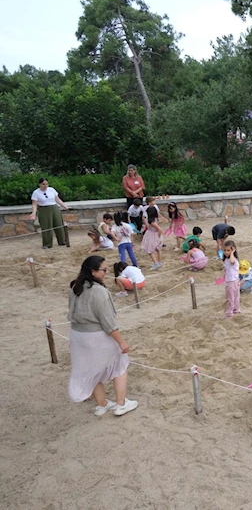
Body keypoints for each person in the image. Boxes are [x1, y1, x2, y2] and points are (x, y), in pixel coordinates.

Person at [67, 255, 137, 416]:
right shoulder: (98, 291)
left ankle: (102, 404)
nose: (106, 272)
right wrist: (121, 342)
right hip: (95, 335)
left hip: (77, 335)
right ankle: (121, 404)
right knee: (120, 364)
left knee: (91, 369)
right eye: (103, 270)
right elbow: (108, 321)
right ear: (93, 271)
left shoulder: (74, 287)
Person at [29, 178, 69, 248]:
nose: (45, 186)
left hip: (54, 208)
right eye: (43, 184)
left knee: (59, 224)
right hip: (44, 209)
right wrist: (33, 213)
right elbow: (34, 204)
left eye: (46, 184)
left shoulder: (52, 189)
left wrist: (65, 206)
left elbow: (57, 199)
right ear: (40, 184)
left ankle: (62, 241)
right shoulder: (36, 192)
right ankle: (47, 244)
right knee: (46, 226)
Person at [141, 205, 163, 270]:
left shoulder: (151, 221)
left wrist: (157, 237)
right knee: (158, 249)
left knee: (150, 250)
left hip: (152, 235)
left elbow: (160, 230)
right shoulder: (156, 219)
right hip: (154, 235)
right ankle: (159, 262)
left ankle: (156, 263)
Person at [223, 240, 241, 318]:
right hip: (230, 280)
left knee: (231, 297)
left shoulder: (233, 260)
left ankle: (230, 312)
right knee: (234, 296)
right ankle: (236, 309)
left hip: (232, 281)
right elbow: (226, 269)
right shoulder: (226, 260)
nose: (226, 252)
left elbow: (232, 261)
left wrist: (232, 253)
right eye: (225, 250)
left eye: (228, 250)